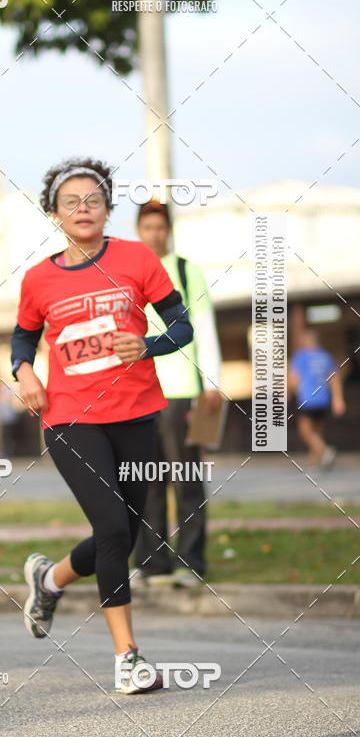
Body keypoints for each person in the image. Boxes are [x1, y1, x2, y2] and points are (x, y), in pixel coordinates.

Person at [11, 158, 193, 694]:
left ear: (108, 209)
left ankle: (48, 579)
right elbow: (23, 338)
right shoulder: (38, 279)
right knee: (113, 529)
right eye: (71, 201)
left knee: (125, 533)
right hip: (70, 419)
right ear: (55, 214)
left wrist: (150, 343)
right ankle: (128, 657)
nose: (83, 208)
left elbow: (181, 324)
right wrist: (25, 372)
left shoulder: (138, 259)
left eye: (93, 199)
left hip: (138, 414)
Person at [134, 200, 222, 589]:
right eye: (147, 227)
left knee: (185, 477)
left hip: (182, 390)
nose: (154, 234)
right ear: (138, 229)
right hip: (138, 394)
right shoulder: (129, 271)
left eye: (160, 227)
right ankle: (152, 565)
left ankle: (191, 563)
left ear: (168, 229)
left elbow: (203, 327)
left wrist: (212, 384)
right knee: (145, 480)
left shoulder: (187, 272)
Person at [289, 328, 345, 468]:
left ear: (305, 341)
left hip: (308, 398)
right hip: (323, 398)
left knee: (305, 431)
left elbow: (294, 379)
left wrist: (288, 391)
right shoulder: (325, 356)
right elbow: (334, 378)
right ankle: (314, 460)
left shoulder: (301, 356)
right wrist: (338, 399)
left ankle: (325, 451)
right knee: (317, 430)